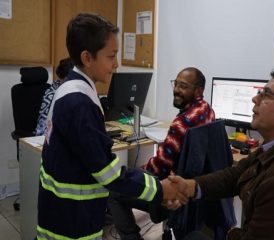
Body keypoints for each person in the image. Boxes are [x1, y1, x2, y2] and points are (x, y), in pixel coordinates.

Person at [36, 13, 182, 240]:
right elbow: (109, 174)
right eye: (111, 56)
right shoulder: (79, 104)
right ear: (87, 58)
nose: (116, 64)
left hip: (60, 214)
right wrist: (160, 189)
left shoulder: (72, 89)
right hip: (72, 223)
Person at [166, 66, 274, 240]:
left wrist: (229, 233)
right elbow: (235, 175)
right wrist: (189, 187)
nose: (254, 98)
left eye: (266, 95)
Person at [107, 67, 215, 240]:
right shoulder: (207, 110)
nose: (176, 90)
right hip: (190, 189)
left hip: (171, 192)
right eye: (176, 84)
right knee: (130, 175)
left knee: (114, 189)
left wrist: (136, 173)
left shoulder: (182, 123)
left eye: (183, 86)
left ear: (198, 91)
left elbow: (159, 168)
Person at [34, 57, 73, 136]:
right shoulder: (52, 94)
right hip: (47, 139)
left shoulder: (73, 91)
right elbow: (43, 129)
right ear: (66, 78)